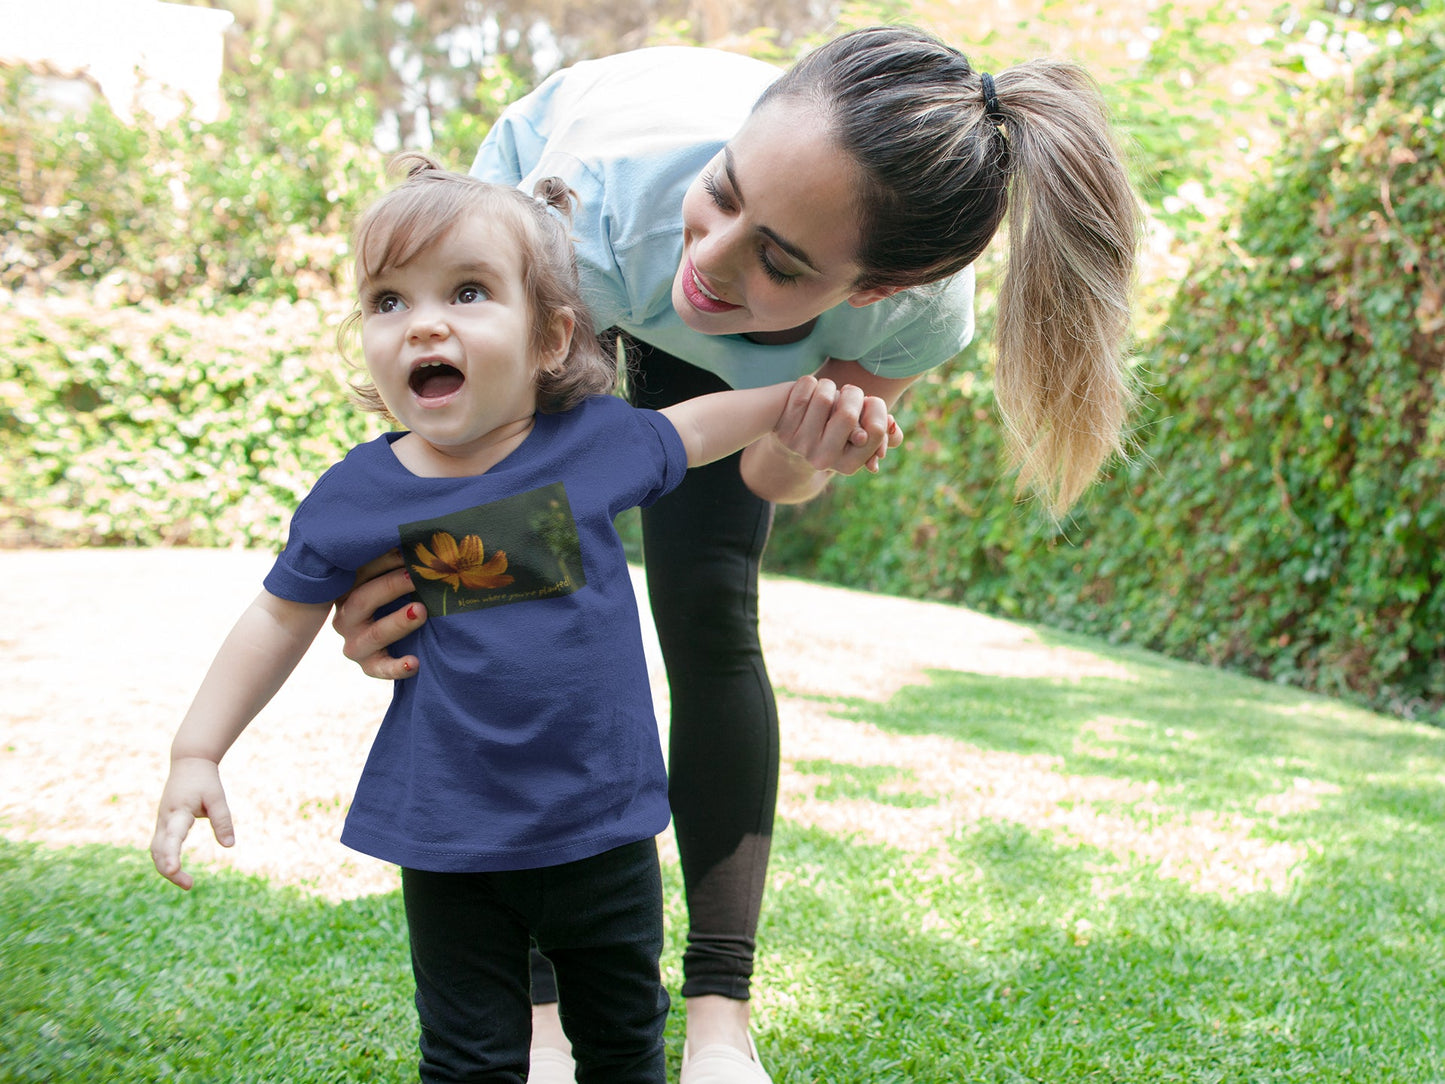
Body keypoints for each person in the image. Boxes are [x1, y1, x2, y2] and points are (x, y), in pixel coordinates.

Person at [330, 24, 1141, 1084]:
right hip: (576, 254)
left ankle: (718, 1021)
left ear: (872, 289)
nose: (711, 259)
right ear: (729, 147)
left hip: (693, 317)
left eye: (780, 260)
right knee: (496, 595)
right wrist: (399, 587)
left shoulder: (912, 313)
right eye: (726, 192)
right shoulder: (580, 206)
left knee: (710, 610)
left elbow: (770, 482)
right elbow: (452, 466)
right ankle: (537, 1020)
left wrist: (809, 450)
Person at [148, 155, 898, 1084]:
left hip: (602, 826)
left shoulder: (597, 445)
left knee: (624, 1042)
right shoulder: (355, 494)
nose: (423, 321)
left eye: (467, 292)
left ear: (548, 338)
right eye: (387, 301)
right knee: (466, 1059)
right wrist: (197, 750)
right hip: (452, 839)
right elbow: (276, 617)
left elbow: (703, 426)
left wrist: (806, 404)